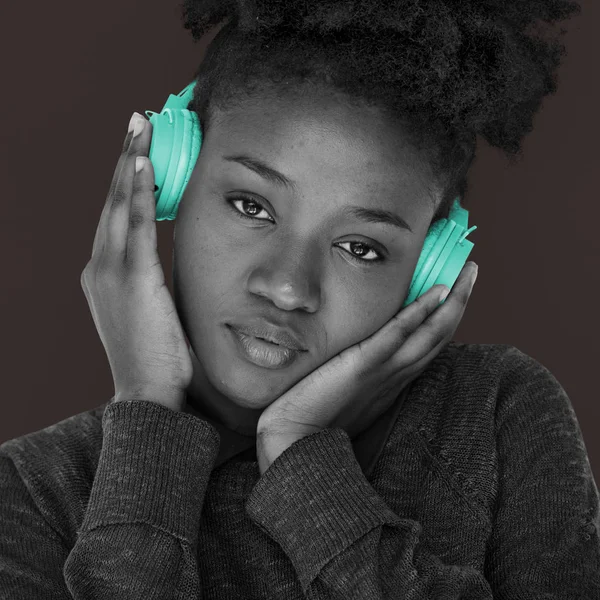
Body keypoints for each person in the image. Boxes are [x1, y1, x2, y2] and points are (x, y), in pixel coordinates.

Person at [1, 0, 597, 598]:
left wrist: (305, 461)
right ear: (167, 178)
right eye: (252, 206)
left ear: (426, 269)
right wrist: (148, 416)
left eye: (360, 247)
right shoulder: (29, 491)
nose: (288, 288)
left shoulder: (496, 412)